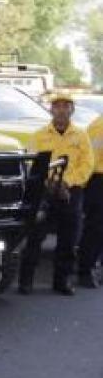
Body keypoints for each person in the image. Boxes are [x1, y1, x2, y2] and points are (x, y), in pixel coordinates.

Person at [19, 93, 94, 296]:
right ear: (51, 110)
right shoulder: (40, 135)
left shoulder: (81, 135)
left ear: (72, 110)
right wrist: (49, 183)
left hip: (71, 192)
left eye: (66, 106)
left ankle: (62, 281)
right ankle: (25, 281)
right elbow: (30, 163)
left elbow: (87, 164)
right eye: (57, 106)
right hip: (44, 192)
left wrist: (68, 183)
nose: (61, 110)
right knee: (35, 237)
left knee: (68, 240)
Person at [77, 113, 103, 288]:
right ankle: (85, 271)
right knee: (96, 227)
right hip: (98, 180)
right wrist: (82, 186)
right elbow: (90, 161)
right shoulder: (98, 127)